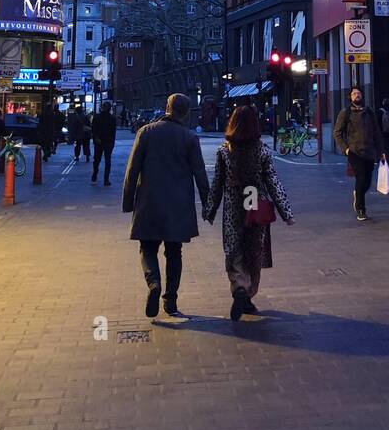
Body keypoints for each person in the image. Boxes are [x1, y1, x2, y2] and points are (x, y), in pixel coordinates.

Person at [203, 105, 295, 321]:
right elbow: (273, 181)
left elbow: (217, 183)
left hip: (233, 207)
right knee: (254, 251)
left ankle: (239, 289)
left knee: (234, 251)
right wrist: (286, 212)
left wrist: (210, 209)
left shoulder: (224, 150)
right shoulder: (262, 150)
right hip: (255, 206)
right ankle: (248, 294)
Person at [122, 94, 209, 319]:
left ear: (166, 108)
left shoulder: (146, 132)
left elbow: (132, 170)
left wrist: (127, 201)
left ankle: (153, 283)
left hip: (149, 201)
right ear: (187, 113)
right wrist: (208, 204)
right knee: (174, 252)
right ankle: (170, 300)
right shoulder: (189, 138)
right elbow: (200, 173)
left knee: (148, 248)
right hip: (178, 205)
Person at [333, 87, 385, 222]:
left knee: (367, 181)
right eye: (354, 93)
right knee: (361, 178)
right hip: (354, 151)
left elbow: (377, 132)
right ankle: (361, 209)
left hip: (369, 151)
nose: (357, 95)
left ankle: (358, 193)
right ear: (350, 97)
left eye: (359, 93)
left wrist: (381, 151)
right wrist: (346, 149)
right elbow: (337, 133)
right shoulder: (345, 113)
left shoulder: (369, 112)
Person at [91, 101, 117, 184]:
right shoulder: (112, 118)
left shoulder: (97, 117)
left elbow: (93, 130)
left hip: (100, 141)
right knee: (107, 161)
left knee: (97, 160)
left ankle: (95, 174)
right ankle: (105, 179)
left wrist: (96, 138)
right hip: (107, 142)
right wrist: (112, 143)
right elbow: (113, 132)